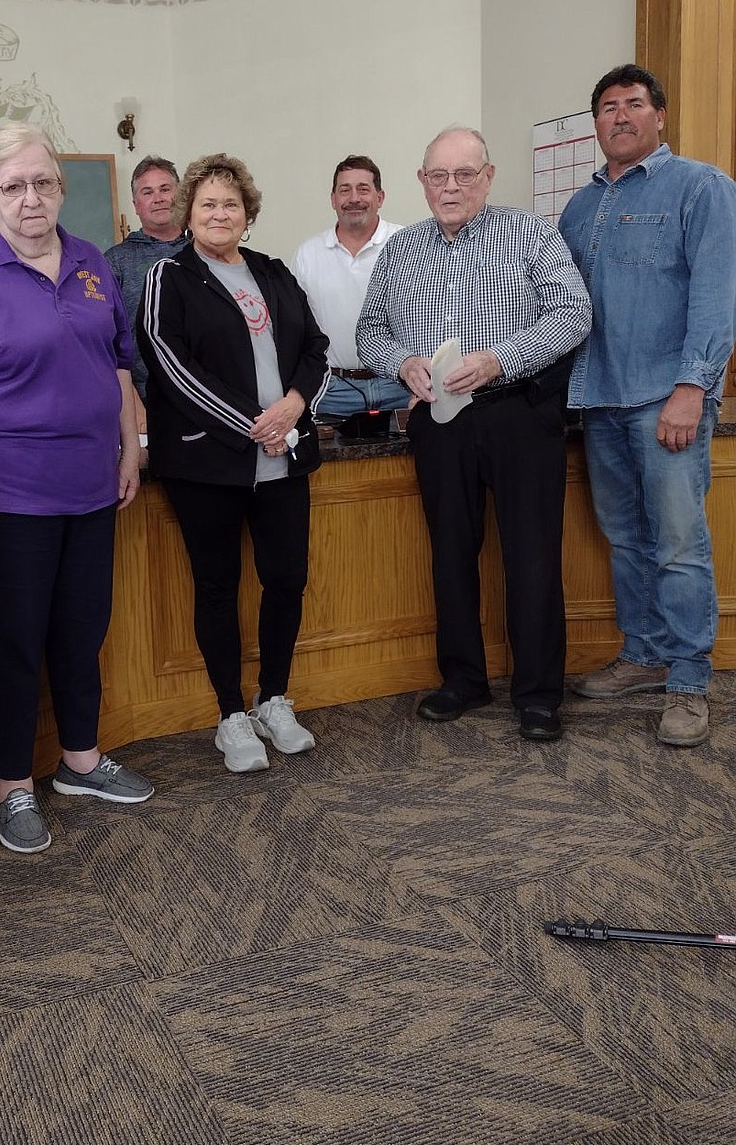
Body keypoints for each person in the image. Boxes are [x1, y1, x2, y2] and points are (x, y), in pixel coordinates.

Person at [0, 123, 154, 855]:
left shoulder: (87, 261)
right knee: (16, 643)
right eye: (12, 186)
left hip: (90, 487)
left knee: (84, 632)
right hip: (6, 496)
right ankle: (11, 786)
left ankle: (80, 760)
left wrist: (130, 445)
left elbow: (117, 361)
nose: (30, 199)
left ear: (61, 188)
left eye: (42, 184)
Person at [357, 126, 592, 741]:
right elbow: (369, 330)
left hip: (520, 413)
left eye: (465, 174)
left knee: (533, 556)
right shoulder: (401, 247)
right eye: (439, 175)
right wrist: (401, 360)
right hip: (441, 420)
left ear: (488, 177)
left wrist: (499, 360)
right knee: (451, 552)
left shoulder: (532, 233)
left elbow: (574, 314)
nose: (451, 186)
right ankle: (462, 678)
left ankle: (538, 694)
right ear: (421, 182)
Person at [559, 64, 736, 747]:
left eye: (634, 104)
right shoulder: (577, 208)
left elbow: (717, 297)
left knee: (679, 543)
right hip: (599, 399)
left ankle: (691, 678)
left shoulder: (701, 187)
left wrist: (692, 388)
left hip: (668, 398)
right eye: (608, 106)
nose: (621, 115)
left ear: (659, 115)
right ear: (596, 123)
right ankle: (645, 655)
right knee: (628, 541)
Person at [137, 153, 329, 772]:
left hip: (285, 457)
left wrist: (293, 409)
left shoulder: (273, 273)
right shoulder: (169, 278)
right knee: (217, 587)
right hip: (208, 464)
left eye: (232, 205)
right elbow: (171, 367)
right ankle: (231, 716)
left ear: (248, 215)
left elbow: (315, 348)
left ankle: (274, 698)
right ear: (189, 214)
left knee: (286, 580)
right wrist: (257, 425)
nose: (221, 214)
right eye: (208, 204)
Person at [293, 154, 409, 422]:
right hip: (333, 390)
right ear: (333, 199)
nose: (354, 198)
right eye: (345, 190)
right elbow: (296, 331)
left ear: (380, 197)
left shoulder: (405, 244)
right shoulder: (308, 255)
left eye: (363, 189)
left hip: (400, 385)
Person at [103, 155, 186, 421]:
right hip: (144, 405)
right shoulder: (115, 262)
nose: (158, 198)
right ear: (136, 205)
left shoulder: (205, 252)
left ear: (181, 195)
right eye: (147, 192)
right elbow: (106, 340)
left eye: (165, 189)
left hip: (210, 401)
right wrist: (132, 401)